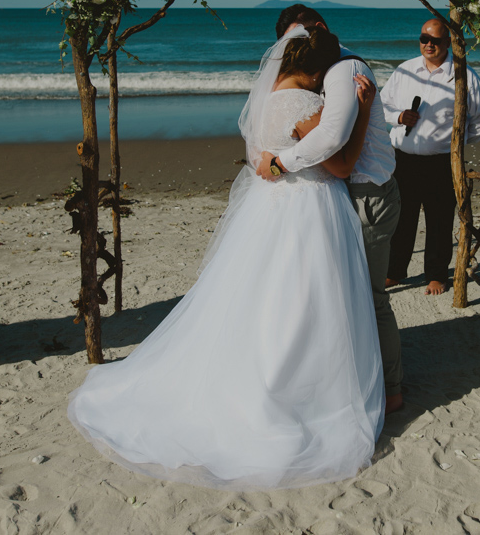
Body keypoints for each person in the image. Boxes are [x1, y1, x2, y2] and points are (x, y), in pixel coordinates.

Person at [70, 27, 385, 489]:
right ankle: (292, 393)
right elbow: (340, 166)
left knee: (261, 298)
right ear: (316, 70)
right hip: (307, 209)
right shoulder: (305, 105)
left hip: (269, 208)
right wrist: (361, 112)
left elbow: (270, 157)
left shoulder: (266, 102)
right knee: (305, 302)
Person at [258, 5, 405, 414]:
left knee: (361, 298)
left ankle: (390, 388)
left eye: (303, 38)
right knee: (337, 297)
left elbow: (327, 141)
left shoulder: (340, 71)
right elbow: (335, 155)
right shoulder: (307, 91)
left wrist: (278, 162)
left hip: (354, 197)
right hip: (327, 199)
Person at [381, 18, 480, 295]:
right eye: (424, 39)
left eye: (436, 40)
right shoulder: (405, 71)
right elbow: (382, 106)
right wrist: (399, 116)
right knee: (401, 219)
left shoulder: (464, 76)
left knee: (440, 221)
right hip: (403, 159)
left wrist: (455, 144)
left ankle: (436, 275)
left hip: (443, 161)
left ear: (448, 43)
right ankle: (394, 271)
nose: (428, 44)